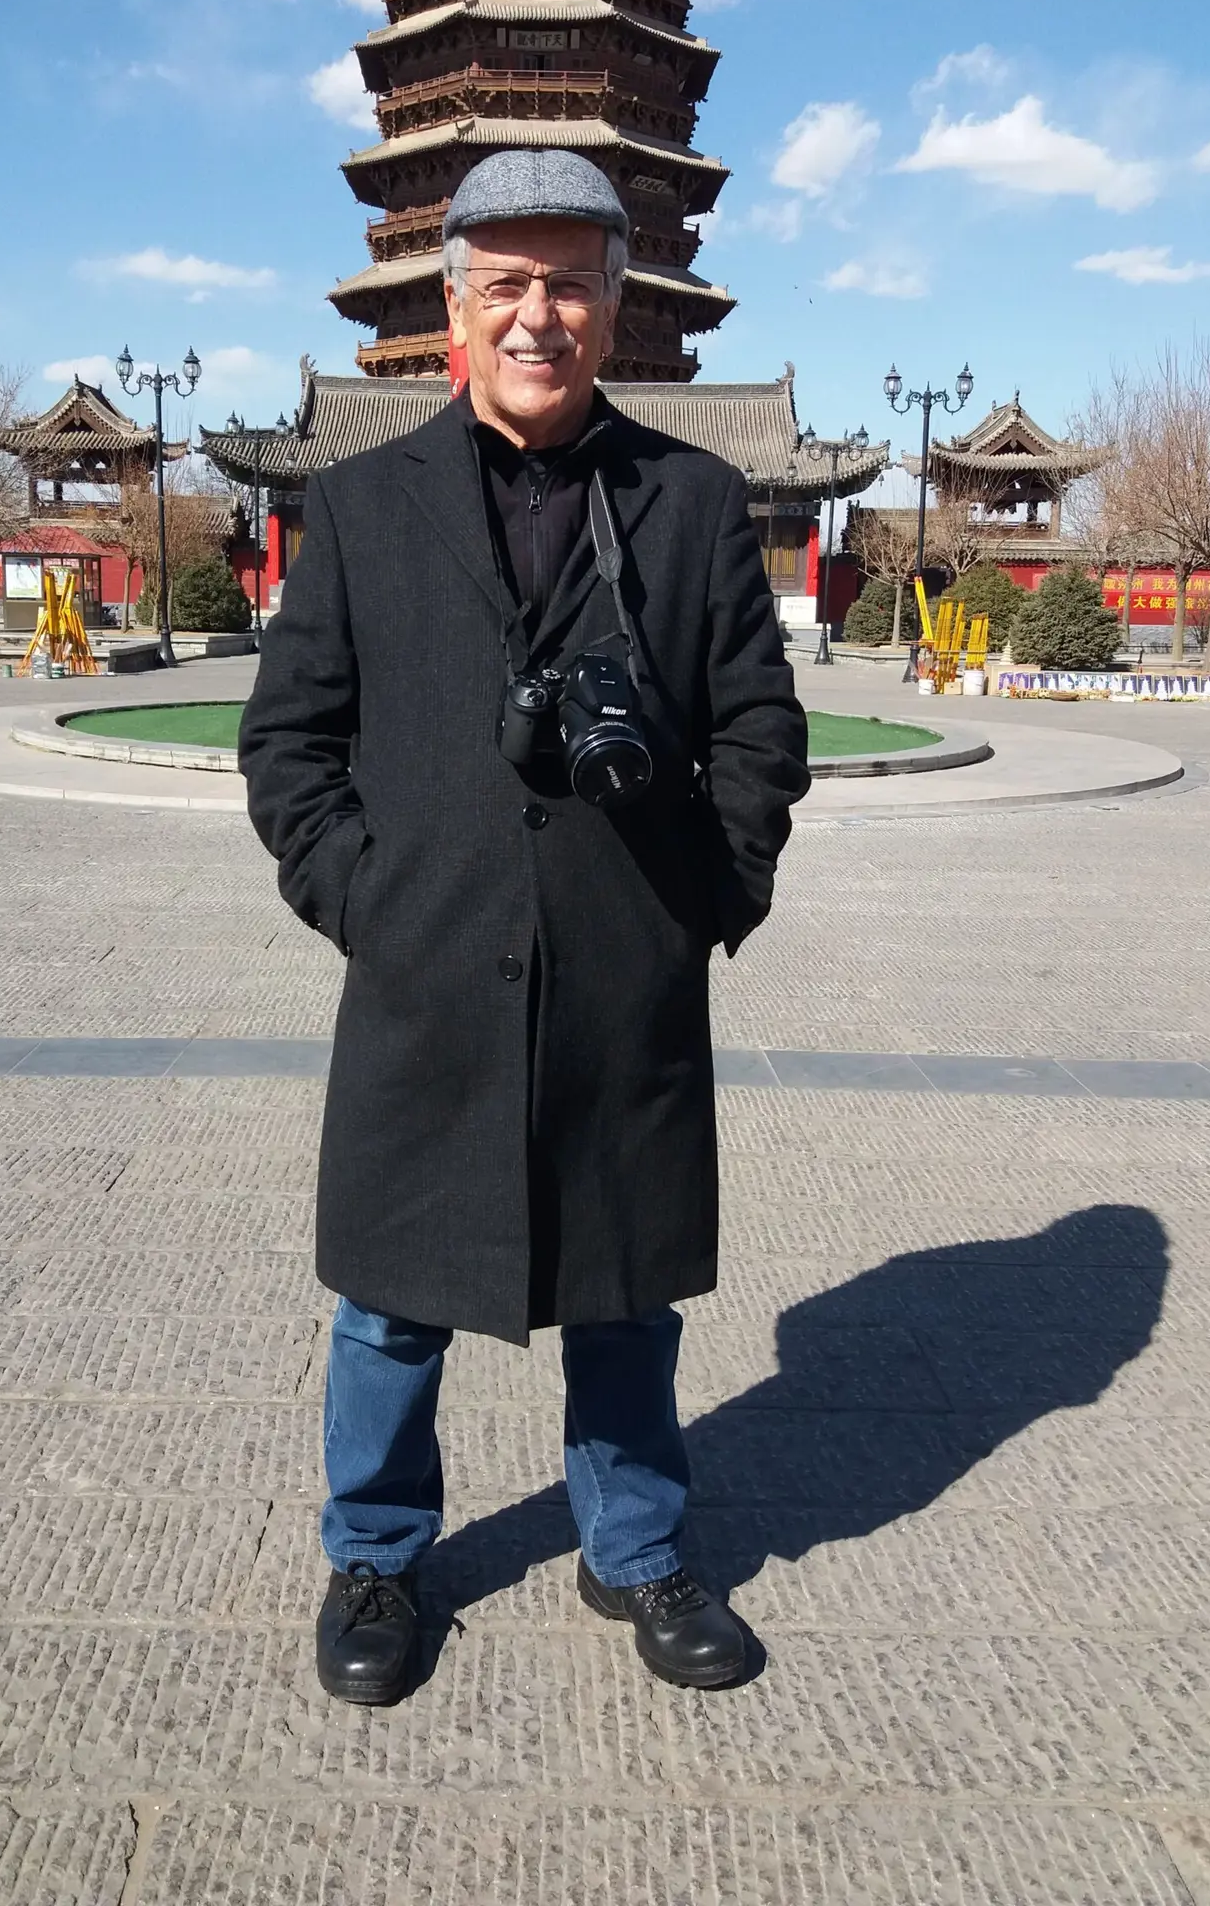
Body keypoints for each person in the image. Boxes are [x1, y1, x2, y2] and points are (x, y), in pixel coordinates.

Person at [239, 148, 809, 1706]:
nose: (536, 315)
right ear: (454, 310)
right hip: (425, 971)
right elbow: (288, 742)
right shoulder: (363, 505)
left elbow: (759, 724)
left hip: (625, 971)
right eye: (505, 284)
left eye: (569, 283)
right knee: (388, 1301)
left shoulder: (692, 501)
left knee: (623, 1295)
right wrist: (366, 899)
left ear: (616, 308)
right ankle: (376, 1553)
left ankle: (638, 1548)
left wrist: (709, 898)